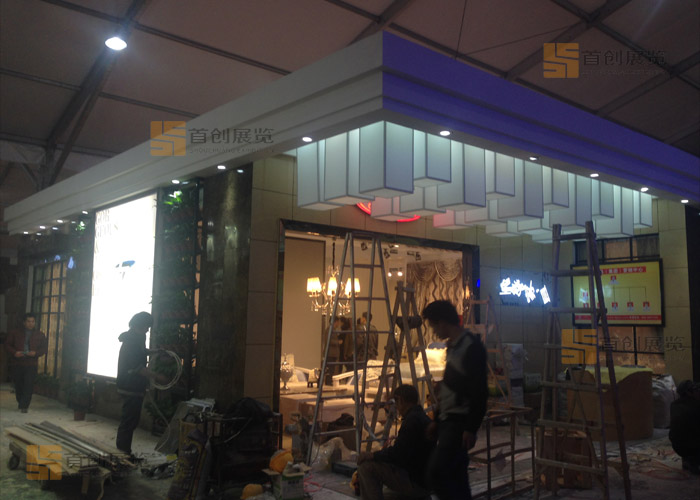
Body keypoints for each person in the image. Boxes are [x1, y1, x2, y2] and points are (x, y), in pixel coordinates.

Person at [421, 300, 488, 500]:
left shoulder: (471, 347)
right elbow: (448, 388)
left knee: (437, 473)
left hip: (459, 422)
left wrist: (471, 428)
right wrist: (437, 419)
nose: (434, 332)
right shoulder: (453, 347)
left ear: (442, 322)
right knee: (457, 477)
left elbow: (479, 390)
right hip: (448, 420)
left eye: (433, 326)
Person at [357, 384, 434, 499]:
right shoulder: (422, 417)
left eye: (396, 402)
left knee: (366, 467)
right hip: (424, 481)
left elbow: (397, 455)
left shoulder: (412, 421)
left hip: (415, 483)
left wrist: (373, 455)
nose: (396, 407)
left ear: (401, 400)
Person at [116, 312, 165, 457]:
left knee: (131, 419)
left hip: (135, 386)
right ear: (139, 325)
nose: (148, 330)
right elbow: (137, 367)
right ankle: (122, 452)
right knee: (129, 421)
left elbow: (141, 352)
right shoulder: (131, 341)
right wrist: (157, 377)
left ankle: (124, 450)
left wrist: (156, 351)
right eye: (147, 327)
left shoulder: (138, 337)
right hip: (129, 386)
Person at [5, 313, 47, 413]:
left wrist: (35, 353)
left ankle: (24, 406)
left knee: (29, 385)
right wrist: (15, 353)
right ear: (24, 322)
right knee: (18, 384)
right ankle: (21, 402)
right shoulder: (15, 333)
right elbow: (7, 345)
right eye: (28, 321)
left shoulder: (40, 335)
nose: (31, 324)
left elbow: (44, 348)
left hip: (31, 363)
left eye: (33, 321)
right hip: (17, 363)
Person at [669, 380, 700, 474]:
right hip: (692, 446)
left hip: (677, 445)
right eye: (696, 390)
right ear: (688, 393)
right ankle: (694, 462)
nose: (698, 392)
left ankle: (688, 460)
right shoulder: (696, 406)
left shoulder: (674, 405)